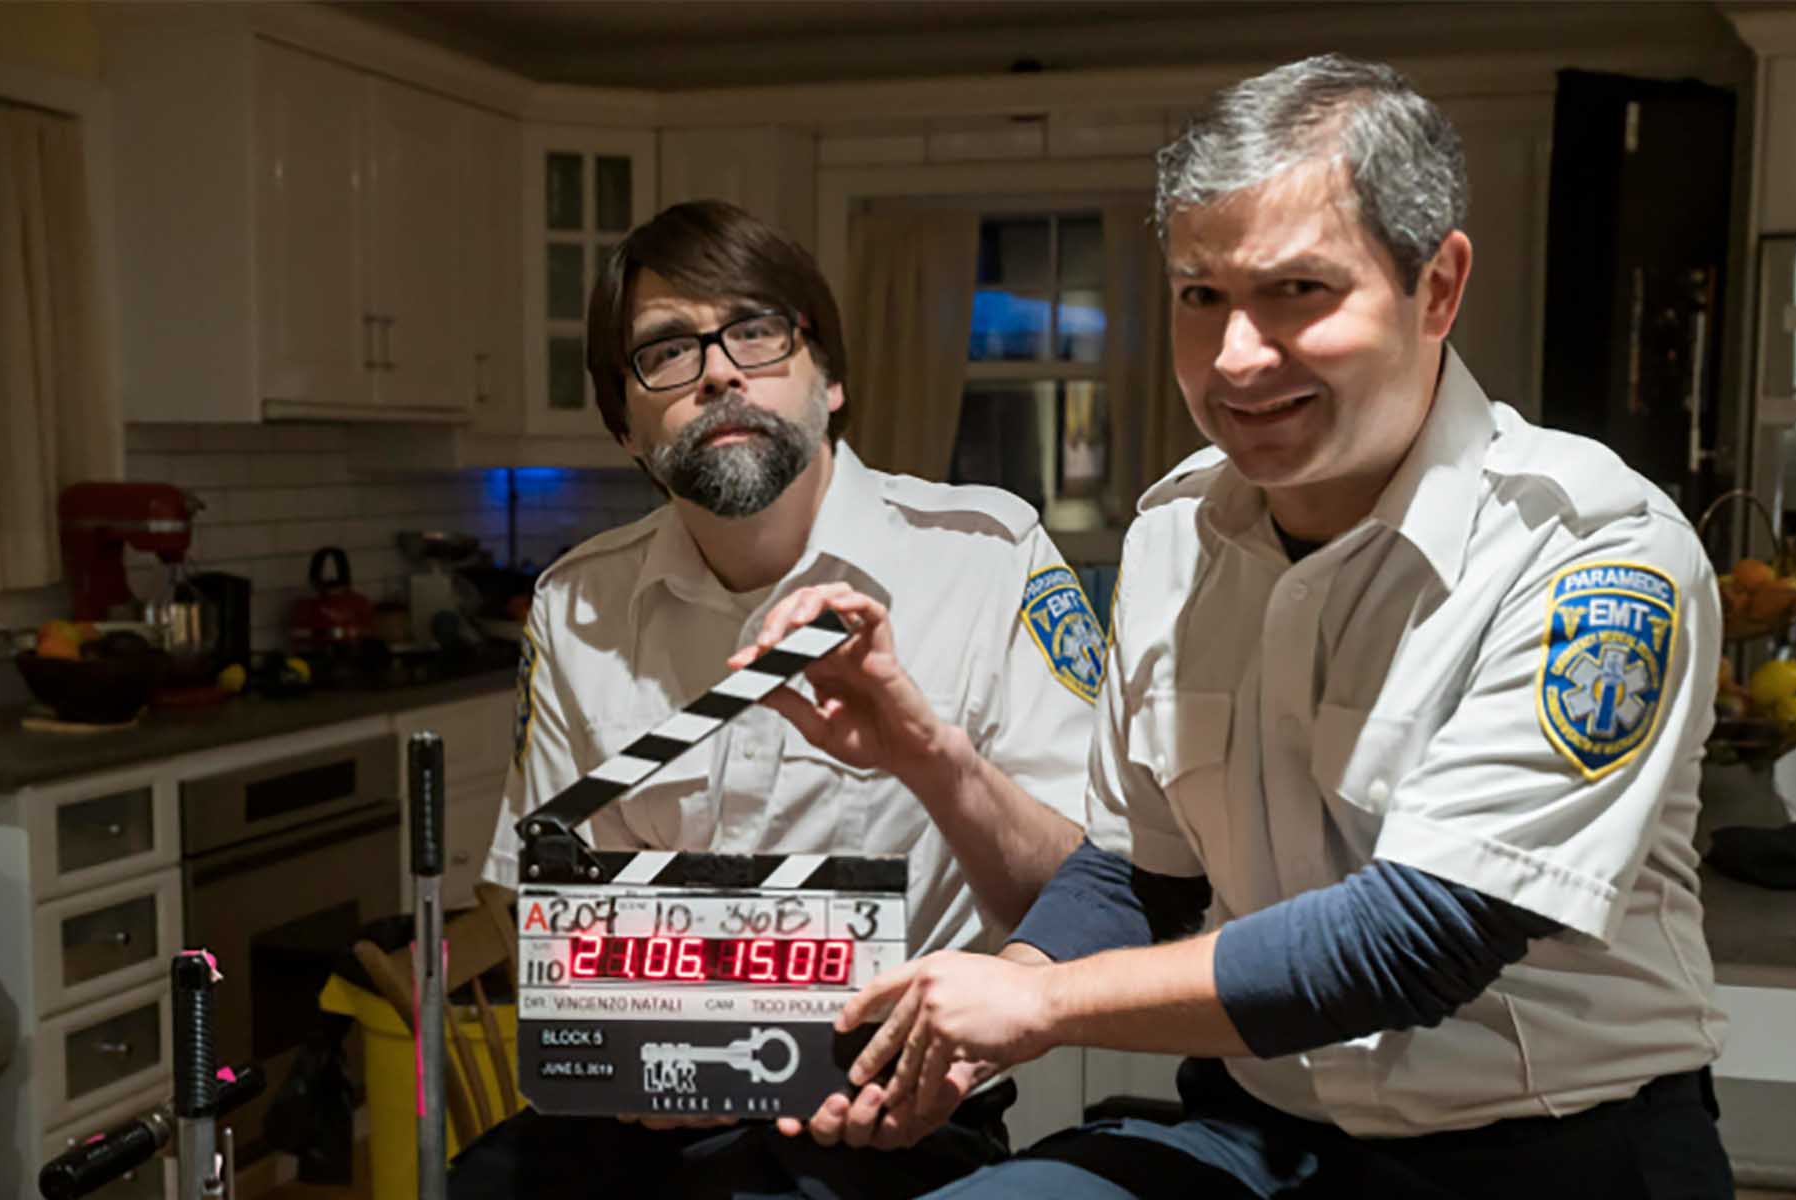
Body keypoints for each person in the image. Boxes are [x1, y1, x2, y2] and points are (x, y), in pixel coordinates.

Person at [737, 54, 1731, 1198]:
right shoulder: (1171, 535)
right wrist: (984, 1000)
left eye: (1297, 292)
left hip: (1555, 1154)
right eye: (1200, 296)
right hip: (1257, 1133)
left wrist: (1039, 1004)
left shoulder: (1592, 550)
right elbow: (1134, 873)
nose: (1234, 359)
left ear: (1436, 287)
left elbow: (1417, 938)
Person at [454, 200, 1103, 1199]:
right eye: (664, 352)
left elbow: (1087, 891)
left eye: (754, 332)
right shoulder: (574, 606)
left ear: (829, 377)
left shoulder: (987, 558)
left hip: (893, 1116)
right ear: (623, 426)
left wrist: (931, 753)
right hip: (651, 1112)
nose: (718, 371)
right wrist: (621, 1025)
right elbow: (553, 908)